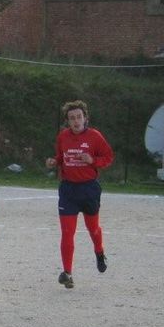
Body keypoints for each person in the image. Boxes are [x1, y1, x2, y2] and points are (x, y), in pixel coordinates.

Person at [44, 100, 114, 288]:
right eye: (72, 118)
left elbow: (108, 157)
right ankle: (67, 273)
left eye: (79, 117)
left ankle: (99, 252)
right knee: (67, 232)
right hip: (68, 190)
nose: (76, 121)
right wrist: (54, 161)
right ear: (68, 121)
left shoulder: (95, 137)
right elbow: (61, 157)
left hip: (89, 189)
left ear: (85, 118)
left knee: (93, 229)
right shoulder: (63, 137)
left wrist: (92, 160)